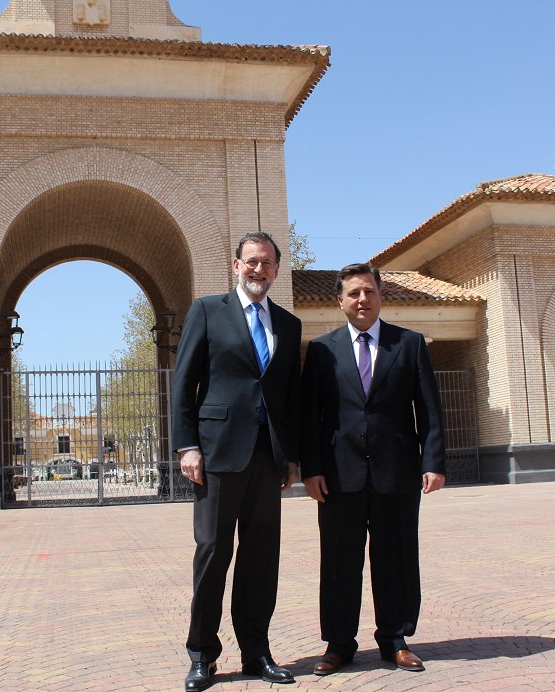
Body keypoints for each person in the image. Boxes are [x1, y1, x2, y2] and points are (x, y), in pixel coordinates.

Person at [300, 263, 446, 676]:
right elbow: (311, 416)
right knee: (339, 560)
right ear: (340, 301)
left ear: (381, 295)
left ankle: (395, 640)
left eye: (368, 291)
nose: (361, 300)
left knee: (396, 557)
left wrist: (433, 461)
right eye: (353, 294)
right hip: (338, 475)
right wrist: (311, 468)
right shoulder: (323, 350)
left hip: (396, 471)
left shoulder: (411, 344)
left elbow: (429, 410)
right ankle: (339, 643)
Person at [171, 231, 302, 691]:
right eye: (251, 261)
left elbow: (289, 396)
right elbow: (183, 383)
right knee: (212, 553)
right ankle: (202, 654)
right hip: (218, 454)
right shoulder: (208, 311)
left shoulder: (288, 324)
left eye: (267, 263)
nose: (258, 270)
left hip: (268, 458)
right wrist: (187, 445)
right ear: (236, 264)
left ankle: (256, 652)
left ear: (276, 270)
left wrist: (292, 456)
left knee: (261, 559)